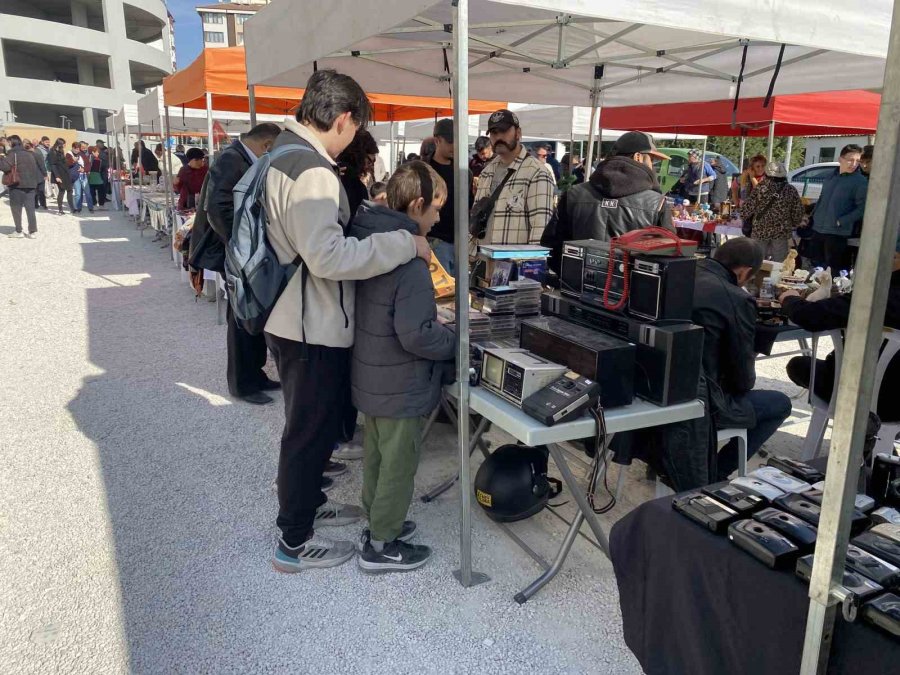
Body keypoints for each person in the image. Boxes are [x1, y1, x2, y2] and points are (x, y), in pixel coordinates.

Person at [264, 70, 432, 573]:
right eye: (356, 127)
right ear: (342, 119)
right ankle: (294, 542)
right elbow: (328, 257)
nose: (354, 138)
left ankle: (309, 505)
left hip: (290, 316)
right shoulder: (313, 171)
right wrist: (403, 243)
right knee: (309, 433)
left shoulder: (281, 153)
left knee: (304, 427)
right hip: (310, 323)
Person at [351, 161, 455, 572]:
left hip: (372, 373)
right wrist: (456, 342)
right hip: (401, 380)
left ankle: (376, 519)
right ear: (417, 206)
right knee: (398, 464)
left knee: (377, 455)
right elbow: (416, 335)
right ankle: (382, 542)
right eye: (436, 209)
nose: (439, 218)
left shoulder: (369, 239)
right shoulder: (410, 260)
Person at [194, 123, 283, 405]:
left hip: (242, 253)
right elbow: (217, 209)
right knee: (242, 318)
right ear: (267, 145)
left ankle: (255, 374)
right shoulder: (231, 159)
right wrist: (242, 245)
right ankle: (242, 384)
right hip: (237, 254)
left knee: (252, 315)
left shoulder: (238, 157)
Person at [693, 238, 793, 480]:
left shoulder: (683, 274)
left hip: (663, 391)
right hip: (705, 401)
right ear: (744, 272)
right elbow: (743, 379)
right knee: (780, 403)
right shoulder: (736, 298)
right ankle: (716, 473)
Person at [777, 241, 900, 425]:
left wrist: (790, 299)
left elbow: (810, 316)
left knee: (798, 365)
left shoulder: (880, 296)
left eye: (893, 256)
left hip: (866, 395)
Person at [541, 131, 673, 274]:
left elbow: (552, 246)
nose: (652, 166)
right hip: (630, 285)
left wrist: (572, 276)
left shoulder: (574, 194)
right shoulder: (656, 203)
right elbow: (668, 258)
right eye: (651, 160)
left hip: (577, 283)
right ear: (638, 157)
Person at [474, 109, 554, 245]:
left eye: (504, 131)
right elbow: (476, 217)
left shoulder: (536, 173)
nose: (498, 137)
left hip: (514, 257)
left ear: (518, 133)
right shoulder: (486, 172)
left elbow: (540, 230)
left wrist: (532, 259)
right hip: (481, 255)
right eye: (494, 132)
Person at [810, 144, 867, 273]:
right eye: (850, 160)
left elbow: (862, 208)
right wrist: (813, 216)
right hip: (818, 229)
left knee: (833, 272)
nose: (854, 164)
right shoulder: (830, 176)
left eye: (857, 161)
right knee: (816, 270)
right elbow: (822, 198)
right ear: (840, 159)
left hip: (837, 233)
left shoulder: (860, 181)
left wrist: (842, 221)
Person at [426, 118, 472, 275]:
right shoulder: (424, 170)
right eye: (451, 142)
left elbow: (469, 205)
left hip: (461, 242)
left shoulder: (464, 172)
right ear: (437, 140)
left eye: (458, 141)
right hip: (435, 240)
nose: (455, 146)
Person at [741, 161, 804, 261]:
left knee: (757, 261)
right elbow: (798, 213)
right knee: (779, 264)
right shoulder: (790, 190)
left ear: (766, 174)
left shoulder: (760, 188)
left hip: (760, 230)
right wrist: (793, 223)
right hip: (781, 232)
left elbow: (746, 210)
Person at [0, 135, 43, 238]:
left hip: (17, 185)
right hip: (31, 185)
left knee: (16, 208)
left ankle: (18, 231)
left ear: (12, 143)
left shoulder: (12, 154)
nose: (7, 144)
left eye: (8, 142)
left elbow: (5, 167)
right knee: (30, 209)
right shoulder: (30, 153)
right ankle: (32, 232)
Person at [337, 129, 378, 226]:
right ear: (359, 155)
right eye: (369, 161)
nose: (371, 166)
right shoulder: (356, 186)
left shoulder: (332, 170)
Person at [47, 138, 73, 215]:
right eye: (64, 144)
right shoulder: (52, 152)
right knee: (62, 191)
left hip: (65, 173)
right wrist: (57, 176)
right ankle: (60, 210)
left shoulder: (60, 151)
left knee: (70, 190)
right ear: (60, 144)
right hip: (59, 174)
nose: (65, 145)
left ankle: (72, 208)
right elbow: (53, 165)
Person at [71, 143, 94, 214]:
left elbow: (89, 165)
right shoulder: (70, 155)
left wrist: (84, 169)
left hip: (83, 175)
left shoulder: (83, 155)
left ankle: (90, 207)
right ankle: (78, 208)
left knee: (87, 192)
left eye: (85, 147)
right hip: (76, 176)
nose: (84, 148)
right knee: (78, 193)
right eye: (82, 147)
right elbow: (69, 165)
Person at [35, 136, 52, 210]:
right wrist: (45, 174)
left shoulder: (48, 149)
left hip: (46, 170)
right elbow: (41, 163)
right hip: (39, 171)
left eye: (48, 142)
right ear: (42, 142)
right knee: (37, 189)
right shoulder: (38, 150)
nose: (48, 143)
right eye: (46, 142)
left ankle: (43, 204)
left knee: (42, 189)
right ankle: (36, 204)